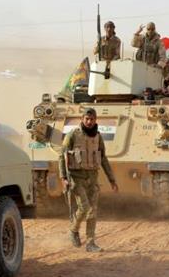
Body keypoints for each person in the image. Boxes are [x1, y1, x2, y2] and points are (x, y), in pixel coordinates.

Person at [59, 108, 118, 252]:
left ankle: (90, 243)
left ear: (96, 120)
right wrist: (63, 178)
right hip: (77, 178)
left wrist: (112, 179)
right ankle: (73, 230)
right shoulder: (73, 134)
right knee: (84, 207)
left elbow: (103, 158)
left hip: (92, 178)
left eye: (92, 119)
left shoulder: (98, 136)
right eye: (87, 119)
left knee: (93, 211)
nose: (89, 122)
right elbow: (62, 155)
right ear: (82, 119)